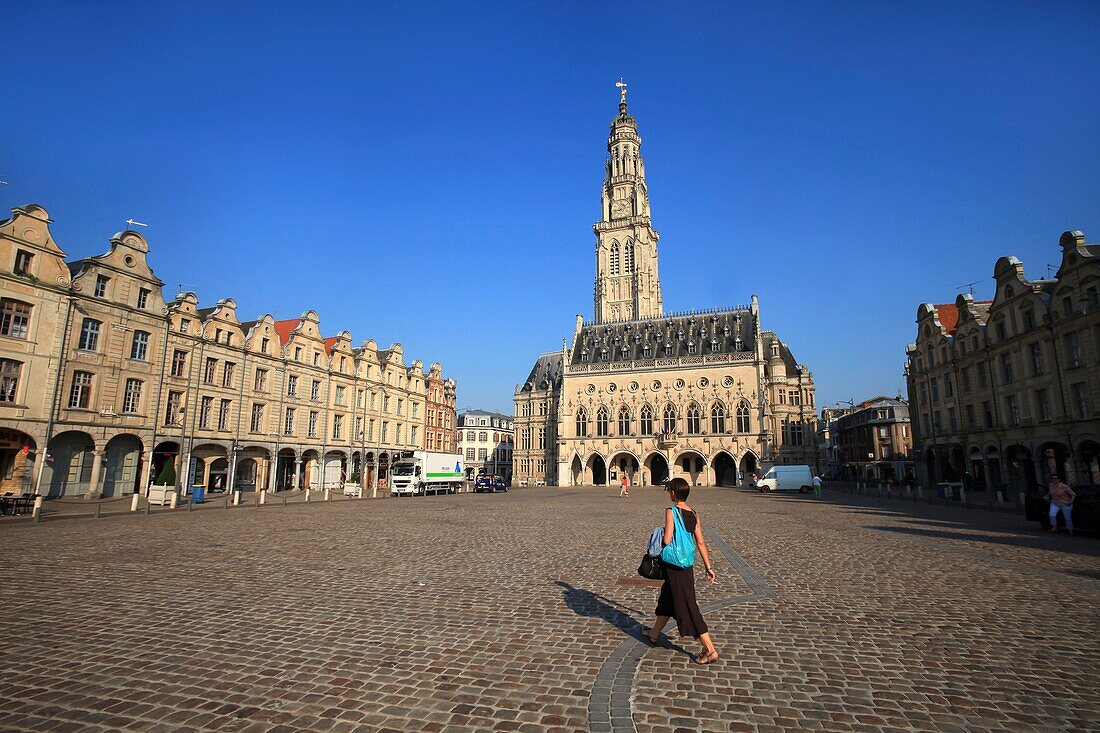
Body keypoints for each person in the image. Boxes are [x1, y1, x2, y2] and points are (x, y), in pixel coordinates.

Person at [641, 478, 720, 665]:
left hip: (673, 564)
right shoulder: (693, 513)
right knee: (668, 597)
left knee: (688, 606)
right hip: (686, 564)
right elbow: (700, 542)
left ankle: (710, 649)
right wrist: (708, 567)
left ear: (674, 494)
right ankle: (654, 633)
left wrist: (658, 535)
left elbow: (667, 539)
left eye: (669, 491)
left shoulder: (671, 511)